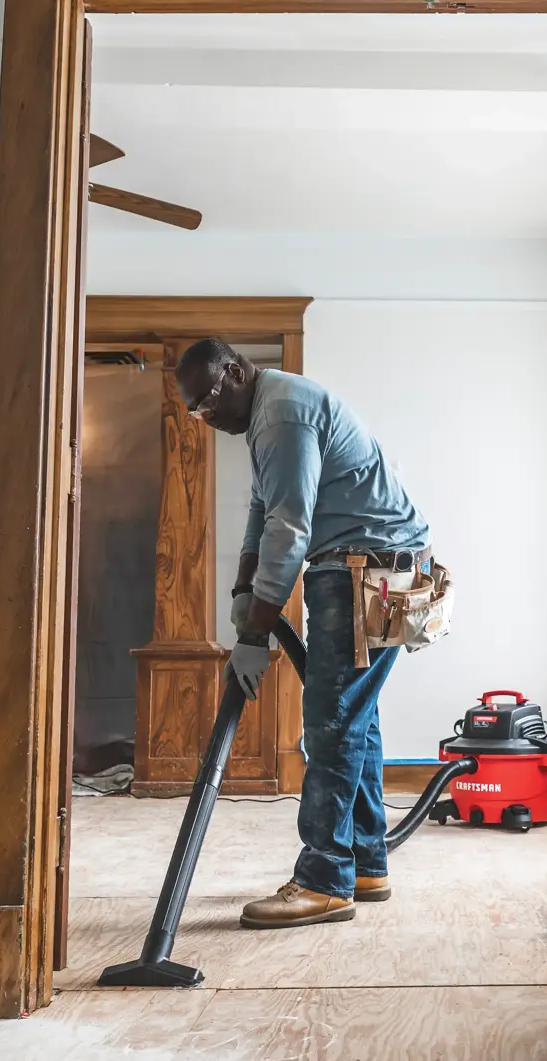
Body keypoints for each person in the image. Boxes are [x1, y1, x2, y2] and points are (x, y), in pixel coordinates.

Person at [173, 337, 431, 930]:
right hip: (362, 565)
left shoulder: (283, 413)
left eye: (207, 401)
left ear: (234, 371)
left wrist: (254, 636)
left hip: (367, 571)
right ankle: (364, 864)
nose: (206, 418)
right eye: (195, 412)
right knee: (353, 720)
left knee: (331, 722)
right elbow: (262, 510)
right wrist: (244, 593)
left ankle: (323, 881)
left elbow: (290, 530)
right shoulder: (268, 414)